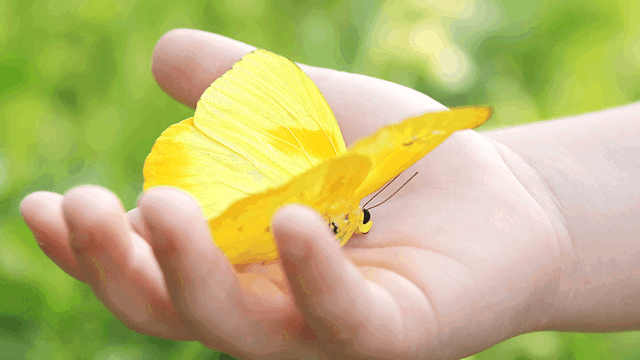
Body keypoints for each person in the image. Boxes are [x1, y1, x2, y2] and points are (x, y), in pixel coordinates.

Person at [20, 29, 640, 360]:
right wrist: (542, 195)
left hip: (236, 197)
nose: (361, 220)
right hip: (245, 211)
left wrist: (547, 210)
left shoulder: (344, 189)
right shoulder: (345, 191)